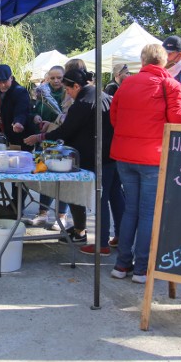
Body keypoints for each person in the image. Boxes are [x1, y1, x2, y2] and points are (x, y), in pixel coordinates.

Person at [110, 43, 181, 284]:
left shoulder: (126, 85)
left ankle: (121, 264)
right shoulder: (170, 85)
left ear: (143, 60)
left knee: (130, 211)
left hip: (124, 156)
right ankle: (141, 269)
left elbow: (114, 117)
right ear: (164, 61)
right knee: (147, 213)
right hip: (152, 158)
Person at [24, 67, 124, 251]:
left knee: (102, 198)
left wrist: (39, 137)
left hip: (96, 157)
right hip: (113, 154)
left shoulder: (83, 103)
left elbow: (66, 131)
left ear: (76, 86)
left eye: (68, 89)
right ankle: (120, 237)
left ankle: (101, 244)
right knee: (115, 196)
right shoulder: (102, 95)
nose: (67, 92)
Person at [28, 65, 70, 229]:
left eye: (59, 77)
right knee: (44, 176)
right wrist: (36, 116)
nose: (56, 81)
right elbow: (36, 110)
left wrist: (51, 124)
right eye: (52, 78)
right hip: (43, 141)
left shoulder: (68, 94)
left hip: (60, 141)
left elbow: (66, 120)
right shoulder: (42, 92)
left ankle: (61, 216)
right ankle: (43, 213)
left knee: (61, 179)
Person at [0, 64, 34, 149]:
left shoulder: (20, 91)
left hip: (19, 137)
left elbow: (22, 110)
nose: (2, 85)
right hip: (3, 133)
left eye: (5, 81)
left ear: (11, 78)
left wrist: (18, 122)